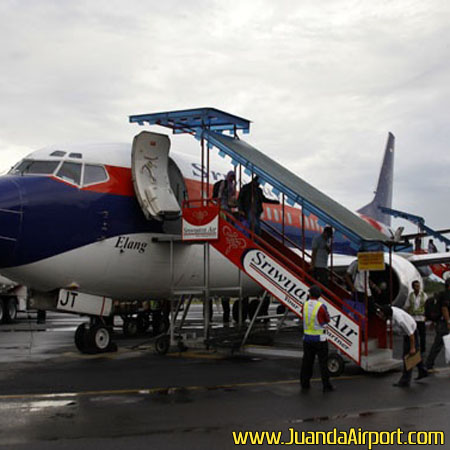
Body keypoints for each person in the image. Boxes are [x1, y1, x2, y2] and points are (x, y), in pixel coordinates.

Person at [377, 304, 428, 387]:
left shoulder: (400, 320)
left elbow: (411, 334)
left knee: (407, 356)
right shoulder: (391, 311)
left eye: (382, 315)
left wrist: (412, 347)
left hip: (411, 332)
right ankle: (423, 371)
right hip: (406, 333)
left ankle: (405, 381)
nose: (380, 316)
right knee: (413, 355)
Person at [300, 285, 335, 392]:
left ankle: (305, 383)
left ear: (309, 294)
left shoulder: (305, 305)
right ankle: (326, 385)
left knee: (307, 362)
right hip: (320, 339)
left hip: (307, 338)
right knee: (323, 363)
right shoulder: (321, 306)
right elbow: (326, 319)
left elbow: (302, 315)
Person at [425, 278, 450, 370]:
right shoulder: (447, 294)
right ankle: (428, 365)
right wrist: (448, 322)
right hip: (444, 323)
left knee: (437, 345)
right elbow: (444, 308)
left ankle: (428, 364)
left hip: (440, 322)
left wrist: (433, 321)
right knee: (438, 344)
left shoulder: (441, 294)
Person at [403, 280, 427, 355]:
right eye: (416, 286)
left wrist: (426, 316)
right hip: (413, 319)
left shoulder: (424, 295)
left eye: (418, 286)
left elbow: (427, 306)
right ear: (413, 287)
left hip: (421, 318)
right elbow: (406, 306)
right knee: (413, 335)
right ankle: (415, 348)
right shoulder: (410, 296)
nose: (418, 287)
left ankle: (422, 350)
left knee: (422, 335)